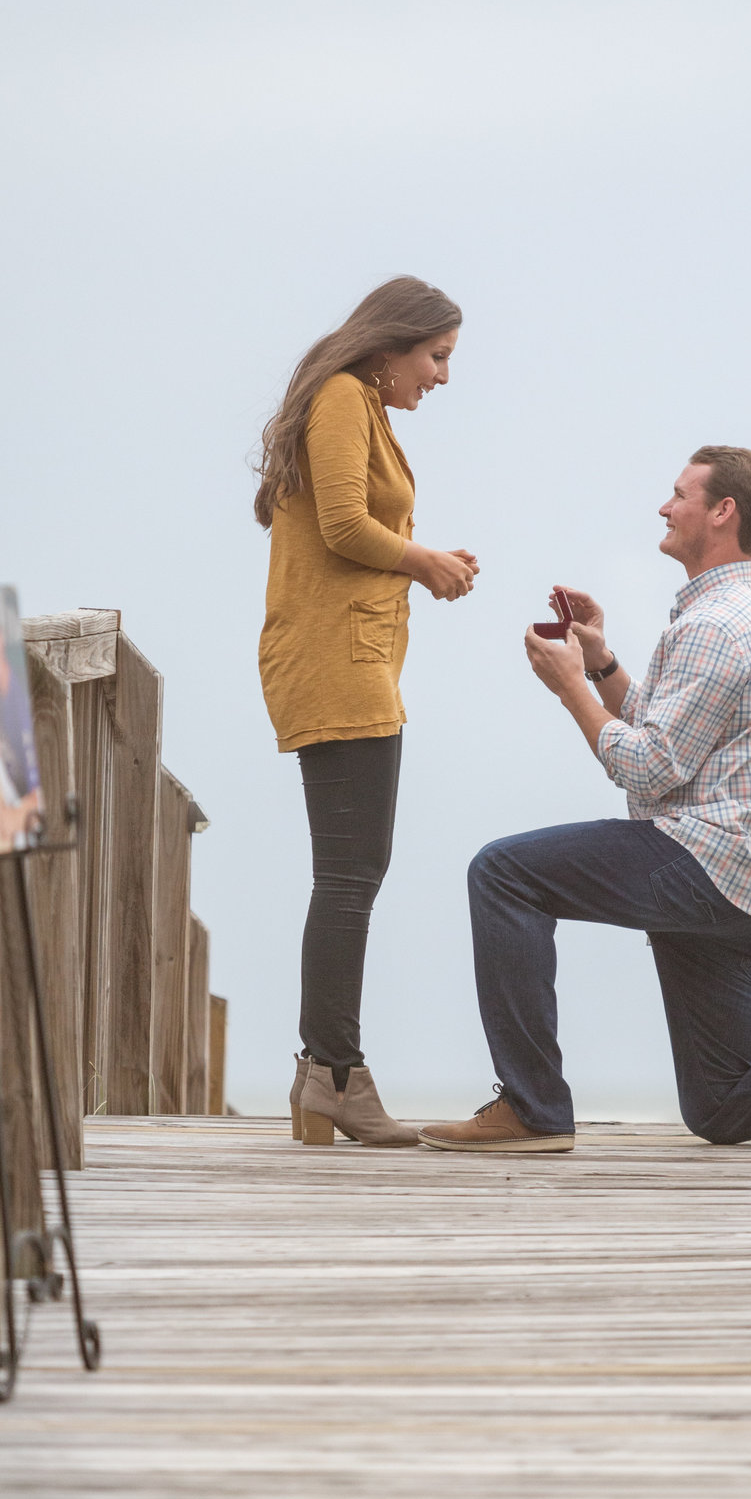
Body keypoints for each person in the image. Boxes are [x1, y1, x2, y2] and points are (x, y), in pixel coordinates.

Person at [418, 445, 751, 1154]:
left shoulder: (715, 625)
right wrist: (603, 663)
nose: (664, 505)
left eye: (679, 493)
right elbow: (670, 734)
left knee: (502, 873)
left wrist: (571, 691)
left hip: (708, 858)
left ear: (722, 511)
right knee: (721, 1106)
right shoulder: (745, 613)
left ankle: (532, 1109)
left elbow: (648, 768)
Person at [256, 276, 478, 1147]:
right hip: (338, 668)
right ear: (391, 347)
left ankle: (328, 1075)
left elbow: (349, 527)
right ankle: (335, 1076)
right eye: (437, 356)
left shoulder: (359, 405)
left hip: (357, 664)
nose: (443, 376)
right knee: (350, 878)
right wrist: (423, 561)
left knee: (353, 874)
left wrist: (419, 557)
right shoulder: (346, 396)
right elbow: (346, 526)